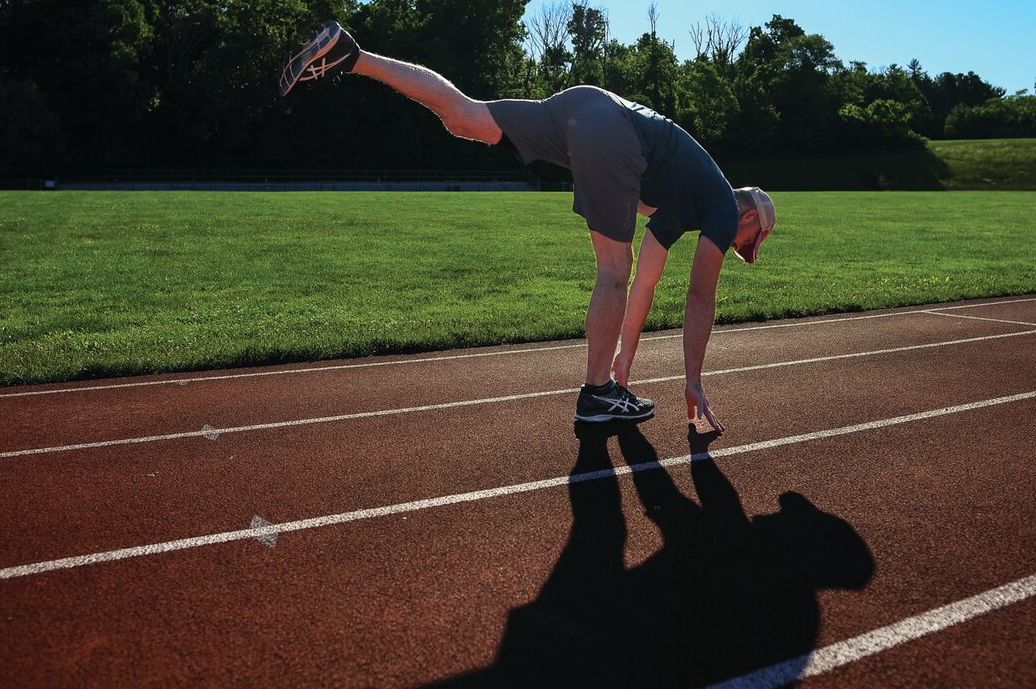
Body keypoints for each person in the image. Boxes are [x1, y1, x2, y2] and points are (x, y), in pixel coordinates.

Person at [281, 21, 775, 432]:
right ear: (749, 215)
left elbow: (648, 285)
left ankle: (354, 55)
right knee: (611, 270)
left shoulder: (686, 204)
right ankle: (597, 393)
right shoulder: (723, 207)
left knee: (465, 117)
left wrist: (627, 358)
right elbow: (699, 299)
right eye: (747, 242)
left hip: (586, 105)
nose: (738, 245)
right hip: (615, 136)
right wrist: (693, 379)